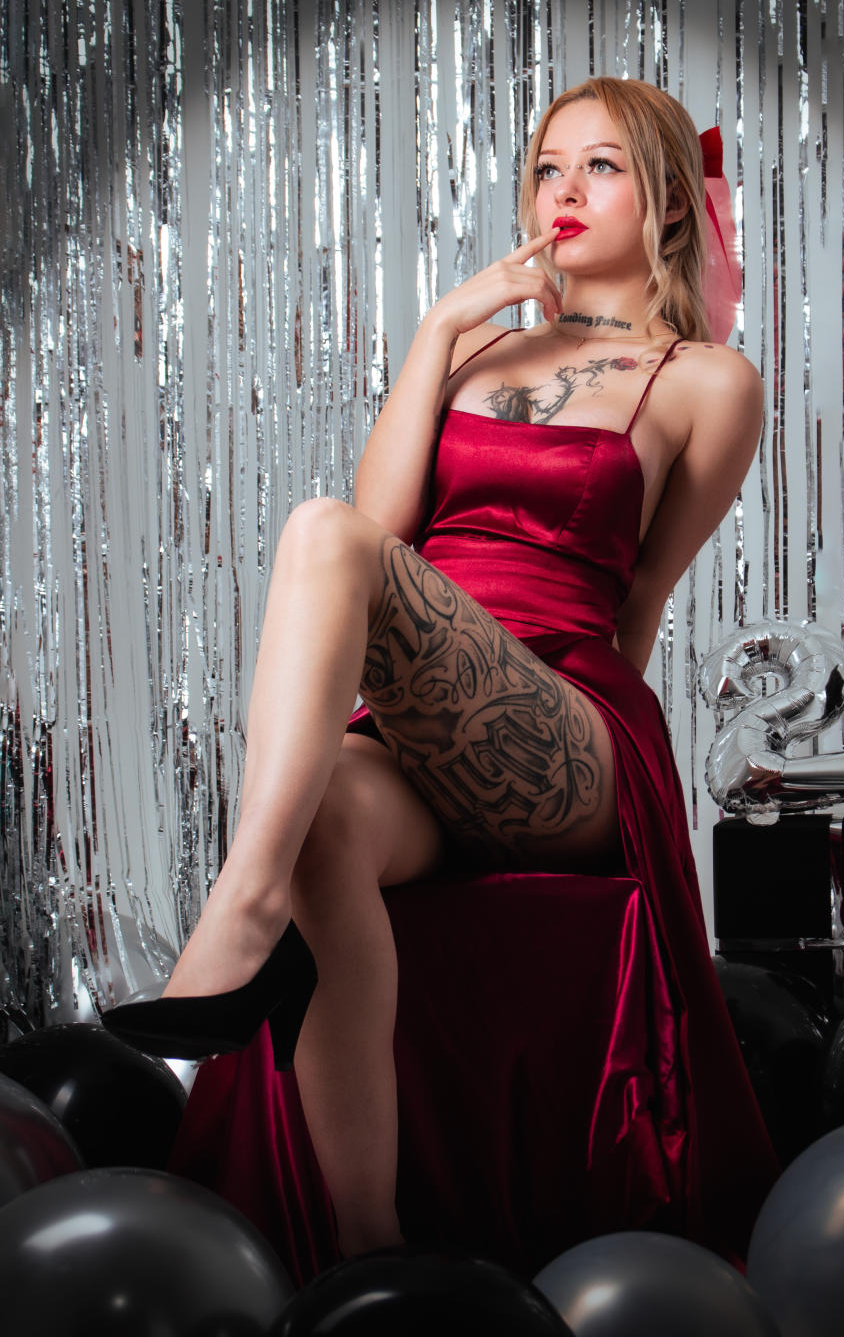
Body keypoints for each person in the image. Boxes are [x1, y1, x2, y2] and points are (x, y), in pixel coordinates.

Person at [104, 76, 775, 1263]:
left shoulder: (706, 382)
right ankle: (369, 1246)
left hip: (568, 726)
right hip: (425, 719)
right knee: (324, 822)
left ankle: (238, 909)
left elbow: (641, 602)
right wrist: (436, 331)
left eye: (601, 166)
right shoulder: (472, 351)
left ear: (671, 203)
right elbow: (382, 536)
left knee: (320, 534)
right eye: (547, 168)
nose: (565, 191)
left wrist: (627, 825)